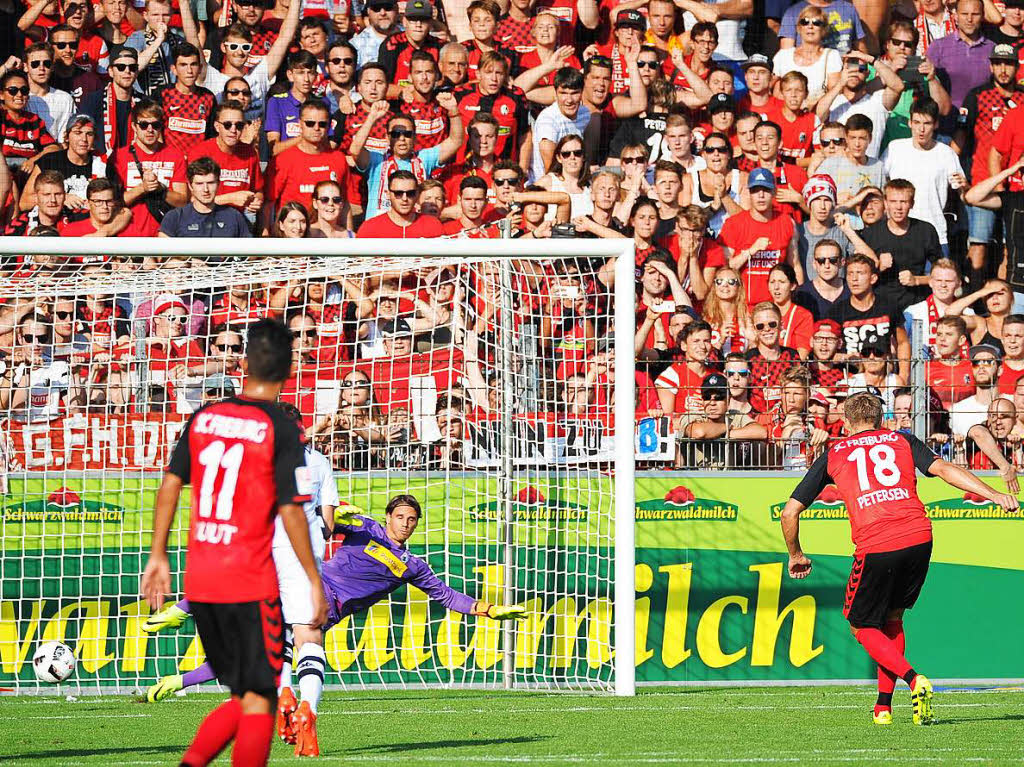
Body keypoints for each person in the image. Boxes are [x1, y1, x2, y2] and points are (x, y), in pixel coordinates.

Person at [140, 318, 327, 767]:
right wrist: (312, 577)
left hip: (202, 578)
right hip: (249, 576)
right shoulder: (282, 430)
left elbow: (170, 483)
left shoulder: (206, 417)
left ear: (243, 363)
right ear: (287, 370)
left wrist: (158, 553)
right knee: (260, 697)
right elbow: (290, 510)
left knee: (248, 694)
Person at [781, 392, 1018, 726]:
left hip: (877, 542)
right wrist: (994, 494)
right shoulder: (902, 439)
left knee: (861, 625)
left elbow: (790, 513)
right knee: (892, 620)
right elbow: (946, 469)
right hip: (920, 536)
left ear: (847, 423)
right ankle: (883, 709)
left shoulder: (835, 451)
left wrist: (796, 554)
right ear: (881, 419)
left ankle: (913, 679)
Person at [881, 98, 965, 255]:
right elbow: (879, 181)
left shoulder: (946, 153)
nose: (921, 129)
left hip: (935, 234)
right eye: (917, 122)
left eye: (926, 124)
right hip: (896, 233)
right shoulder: (895, 148)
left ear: (936, 124)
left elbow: (962, 192)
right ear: (910, 123)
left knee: (938, 279)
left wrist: (965, 186)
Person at [717, 167, 801, 306]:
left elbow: (795, 266)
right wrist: (750, 252)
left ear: (774, 192)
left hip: (776, 306)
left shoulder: (786, 222)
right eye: (755, 190)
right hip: (742, 305)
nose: (761, 195)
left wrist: (798, 298)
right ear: (749, 193)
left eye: (766, 190)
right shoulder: (734, 224)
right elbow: (723, 271)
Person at [860, 179, 942, 312]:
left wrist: (917, 280)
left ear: (912, 204)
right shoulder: (871, 234)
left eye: (903, 202)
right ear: (886, 204)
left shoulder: (926, 230)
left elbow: (943, 274)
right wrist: (879, 266)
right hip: (879, 305)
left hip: (916, 304)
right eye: (893, 202)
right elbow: (859, 276)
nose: (898, 207)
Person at [827, 253, 911, 382]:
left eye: (860, 273)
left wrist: (904, 377)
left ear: (873, 278)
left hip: (884, 378)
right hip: (849, 379)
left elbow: (903, 342)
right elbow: (826, 351)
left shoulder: (889, 306)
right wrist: (846, 357)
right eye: (850, 274)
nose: (854, 279)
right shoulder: (836, 311)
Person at [159, 157, 252, 237]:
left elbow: (251, 253)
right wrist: (187, 258)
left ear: (218, 184)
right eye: (199, 184)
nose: (206, 189)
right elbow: (162, 253)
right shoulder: (175, 217)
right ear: (190, 186)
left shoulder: (234, 216)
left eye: (211, 183)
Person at [772, 4, 842, 103]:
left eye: (816, 23)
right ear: (799, 28)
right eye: (805, 22)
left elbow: (834, 94)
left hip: (817, 114)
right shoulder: (783, 55)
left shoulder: (832, 56)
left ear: (823, 29)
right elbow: (772, 88)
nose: (810, 26)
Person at [356, 170, 445, 238]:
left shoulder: (433, 225)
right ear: (387, 194)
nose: (404, 198)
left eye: (410, 193)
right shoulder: (370, 228)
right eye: (398, 193)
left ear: (417, 194)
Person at [796, 239, 850, 320]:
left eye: (833, 260)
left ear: (842, 262)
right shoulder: (802, 294)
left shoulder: (852, 290)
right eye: (821, 260)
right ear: (814, 264)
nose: (827, 265)